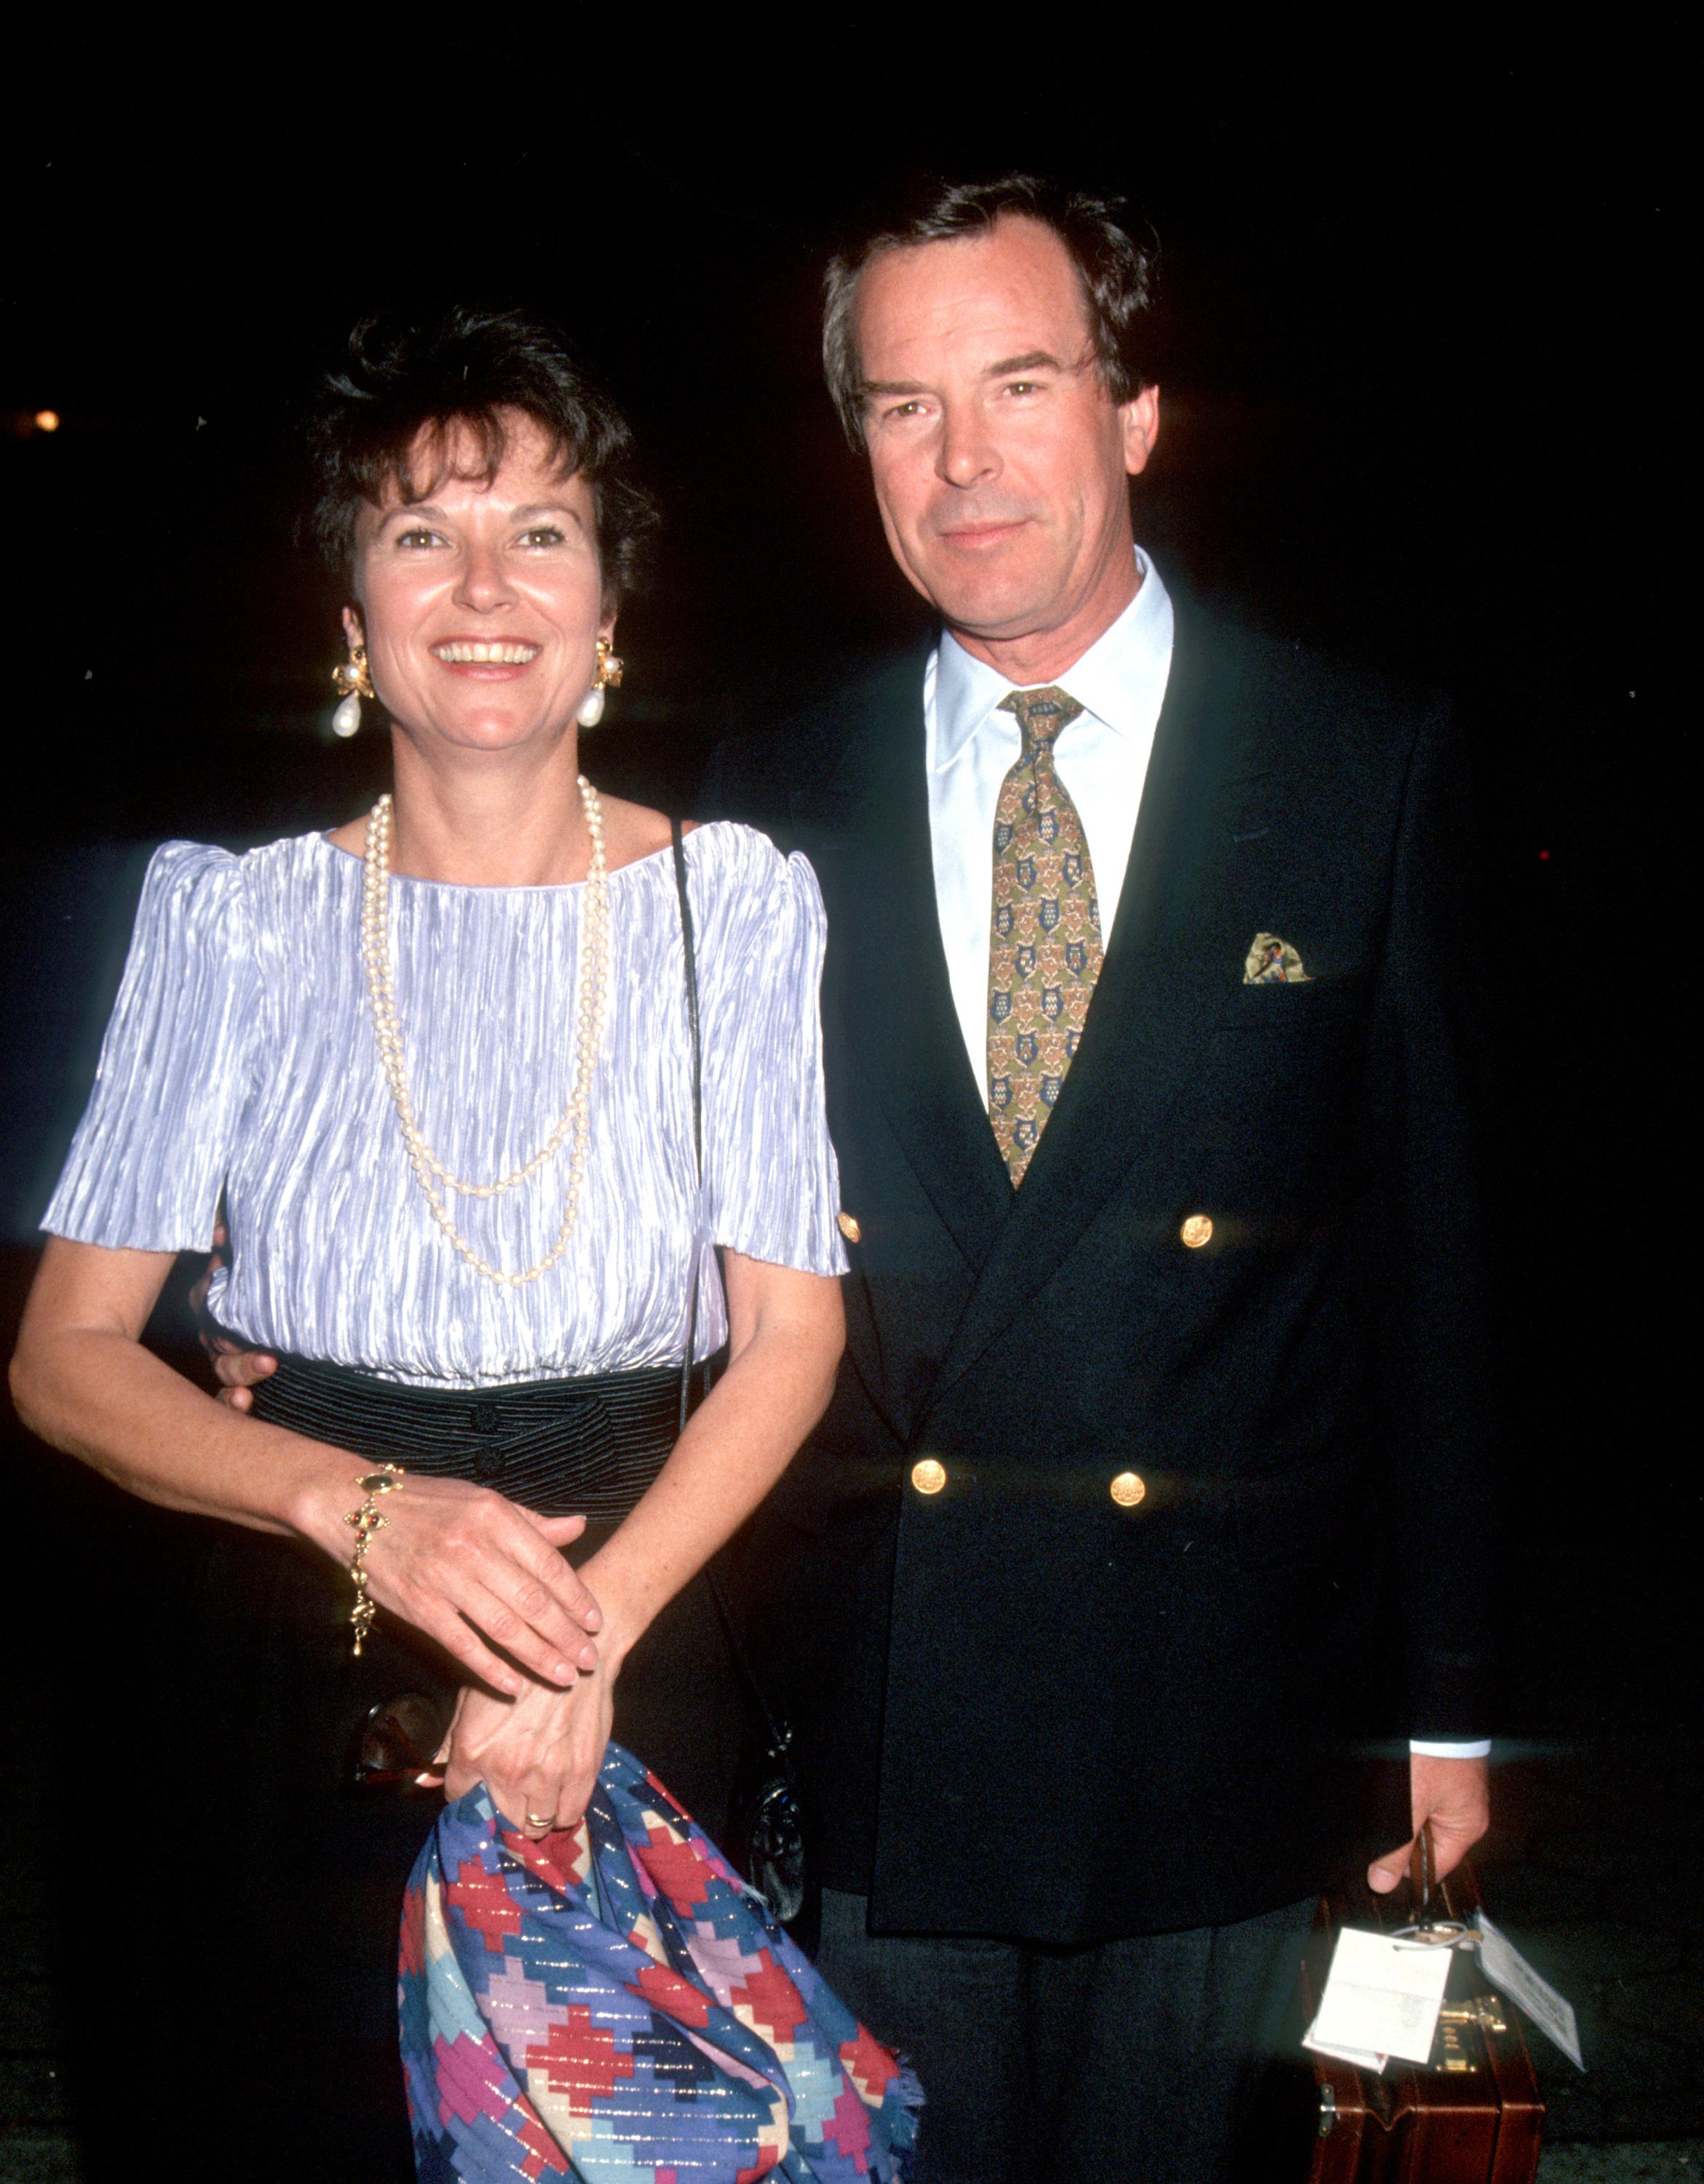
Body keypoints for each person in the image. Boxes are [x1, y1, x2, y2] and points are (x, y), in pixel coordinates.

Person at [697, 176, 1499, 2182]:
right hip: (879, 1736)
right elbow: (652, 1221)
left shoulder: (1356, 758)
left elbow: (1444, 1275)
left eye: (1021, 381)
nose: (962, 459)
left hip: (1230, 1735)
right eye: (901, 405)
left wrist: (1458, 1712)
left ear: (1137, 413)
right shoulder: (768, 796)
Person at [9, 307, 848, 2183]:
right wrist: (362, 1506)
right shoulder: (226, 920)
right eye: (419, 533)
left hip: (629, 1641)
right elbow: (62, 1358)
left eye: (542, 532)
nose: (485, 584)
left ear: (612, 611)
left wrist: (578, 1645)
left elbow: (792, 1337)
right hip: (270, 1671)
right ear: (350, 617)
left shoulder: (738, 906)